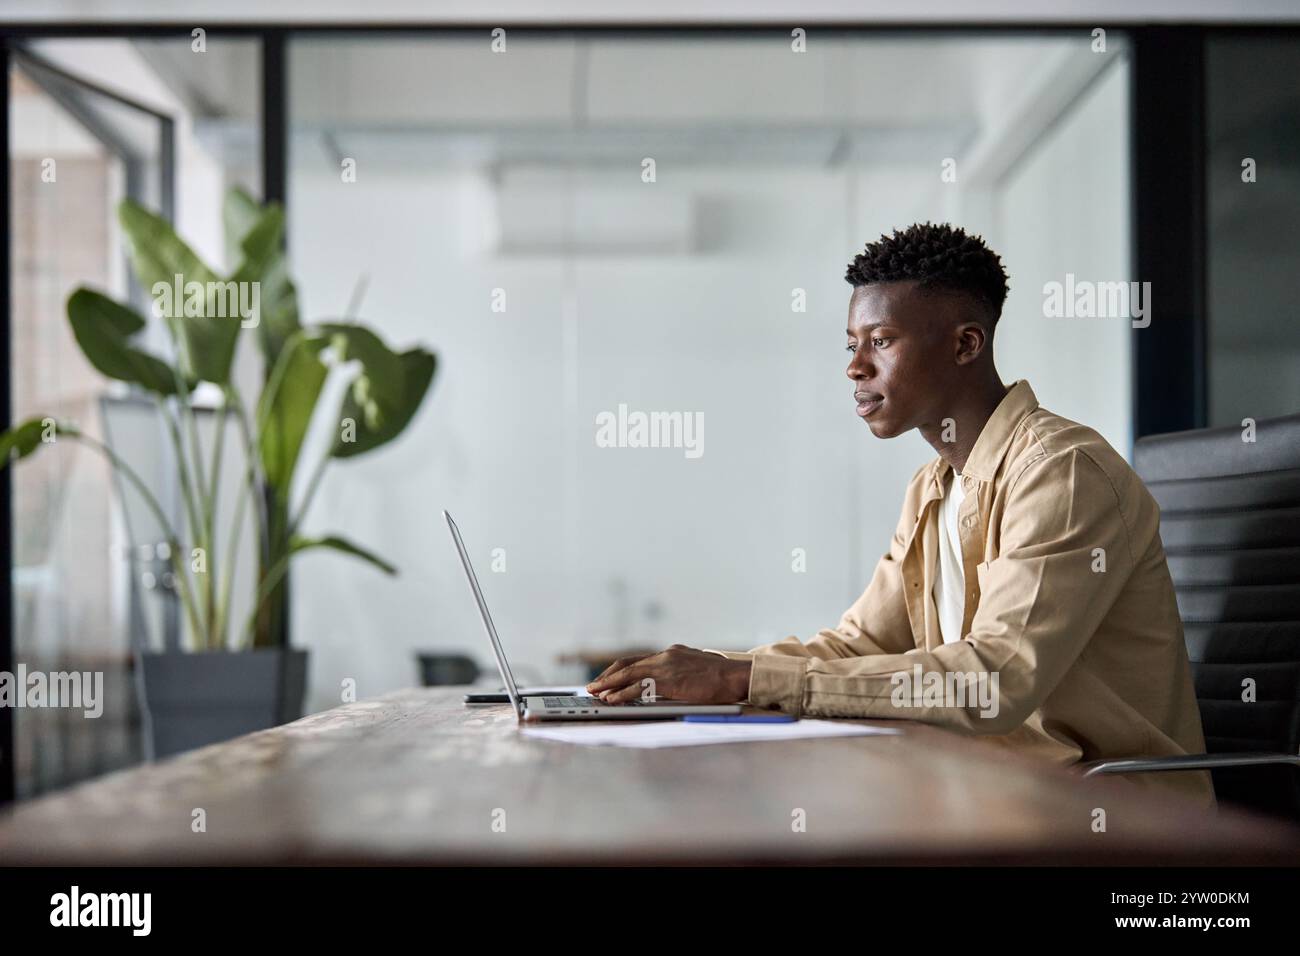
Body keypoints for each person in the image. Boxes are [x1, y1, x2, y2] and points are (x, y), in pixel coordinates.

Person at [586, 222, 1214, 808]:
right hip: (992, 791)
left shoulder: (1062, 472)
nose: (855, 367)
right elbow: (859, 642)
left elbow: (993, 680)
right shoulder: (934, 486)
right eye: (852, 344)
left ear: (967, 344)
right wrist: (709, 675)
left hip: (1105, 810)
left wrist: (744, 682)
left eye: (881, 342)